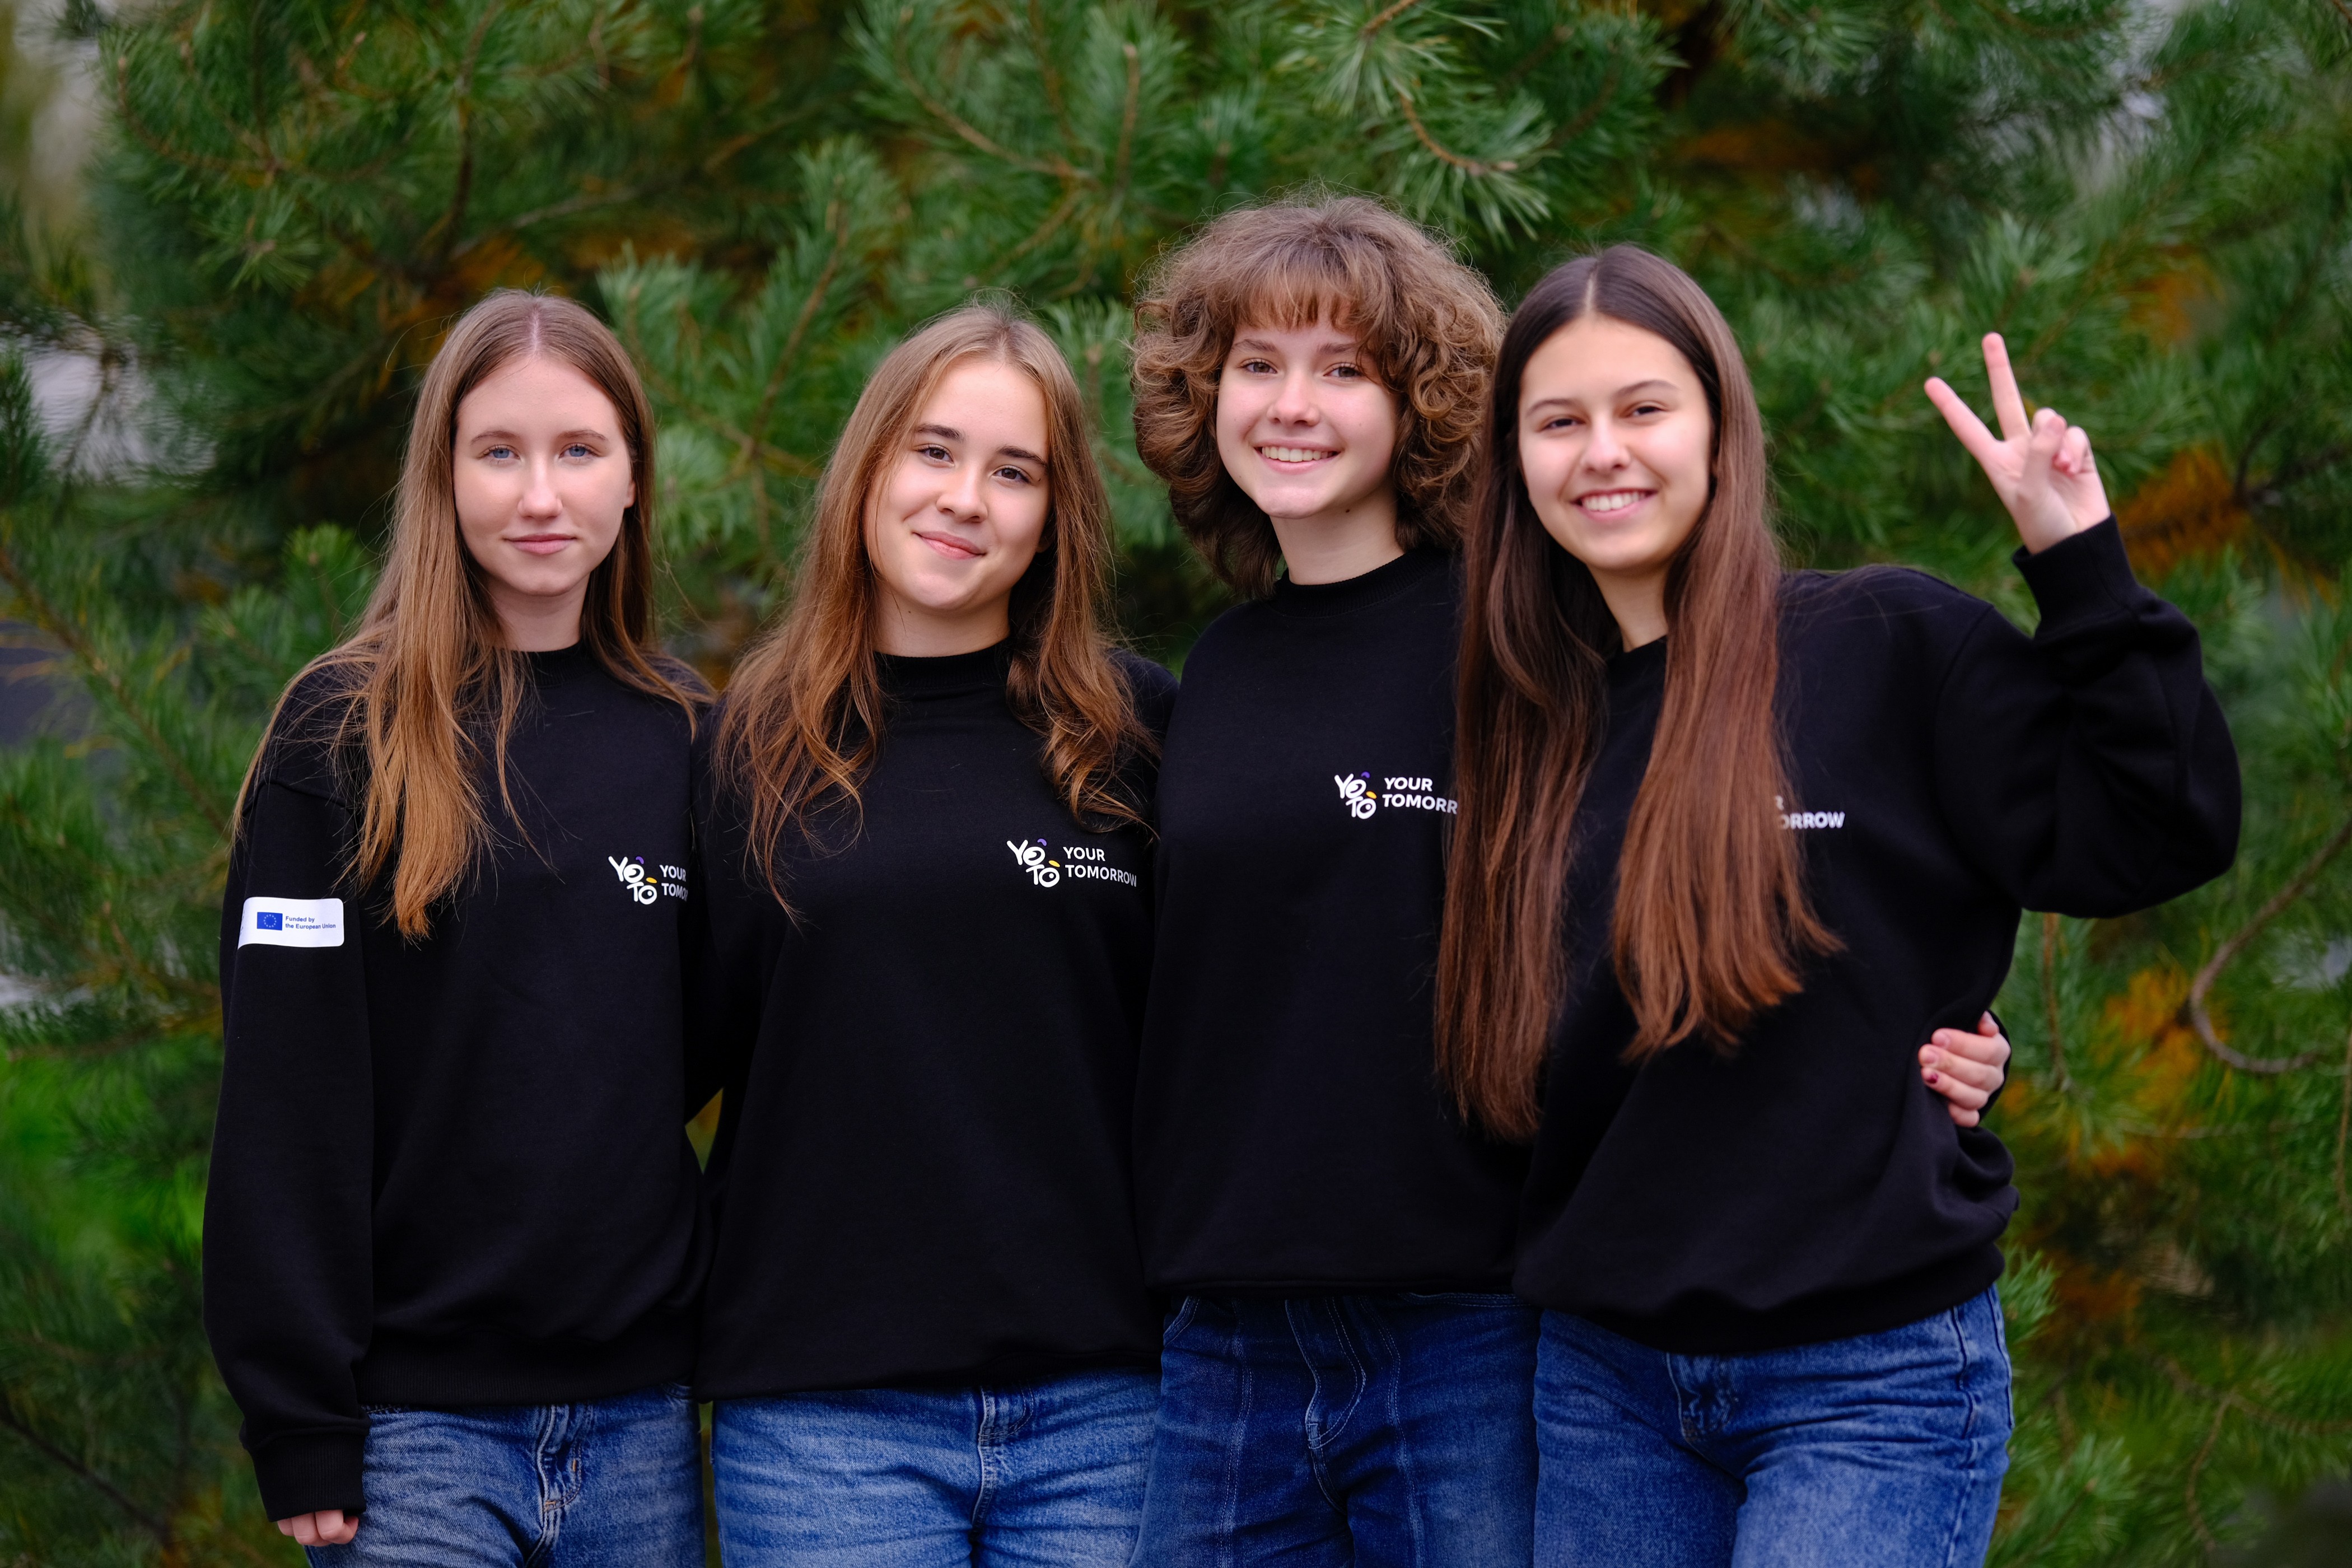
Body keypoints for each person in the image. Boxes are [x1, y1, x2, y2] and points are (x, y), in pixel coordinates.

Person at [1124, 200, 2015, 1566]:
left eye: (1344, 368)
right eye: (1257, 365)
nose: (1292, 404)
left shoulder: (1531, 647)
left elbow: (1759, 841)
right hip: (1229, 1336)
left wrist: (1932, 1022)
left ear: (1422, 402)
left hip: (1476, 1320)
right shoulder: (1217, 672)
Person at [1440, 245, 2241, 1567]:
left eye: (1644, 408)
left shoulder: (1884, 647)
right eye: (1559, 420)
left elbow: (2158, 831)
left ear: (1719, 433)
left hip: (1868, 1376)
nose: (1604, 452)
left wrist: (2082, 564)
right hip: (1605, 1387)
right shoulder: (1523, 721)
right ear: (1516, 462)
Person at [204, 290, 711, 1562]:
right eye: (499, 452)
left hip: (642, 1423)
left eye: (578, 450)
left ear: (634, 477)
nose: (541, 495)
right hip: (410, 1435)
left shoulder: (690, 739)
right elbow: (283, 1094)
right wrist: (299, 1413)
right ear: (442, 474)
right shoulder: (341, 733)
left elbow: (697, 1047)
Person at [690, 304, 1177, 1567]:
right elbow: (646, 1064)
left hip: (1108, 1410)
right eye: (934, 450)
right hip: (824, 1421)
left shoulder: (1137, 736)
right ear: (869, 467)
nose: (966, 498)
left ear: (1055, 516)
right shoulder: (748, 747)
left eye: (1015, 471)